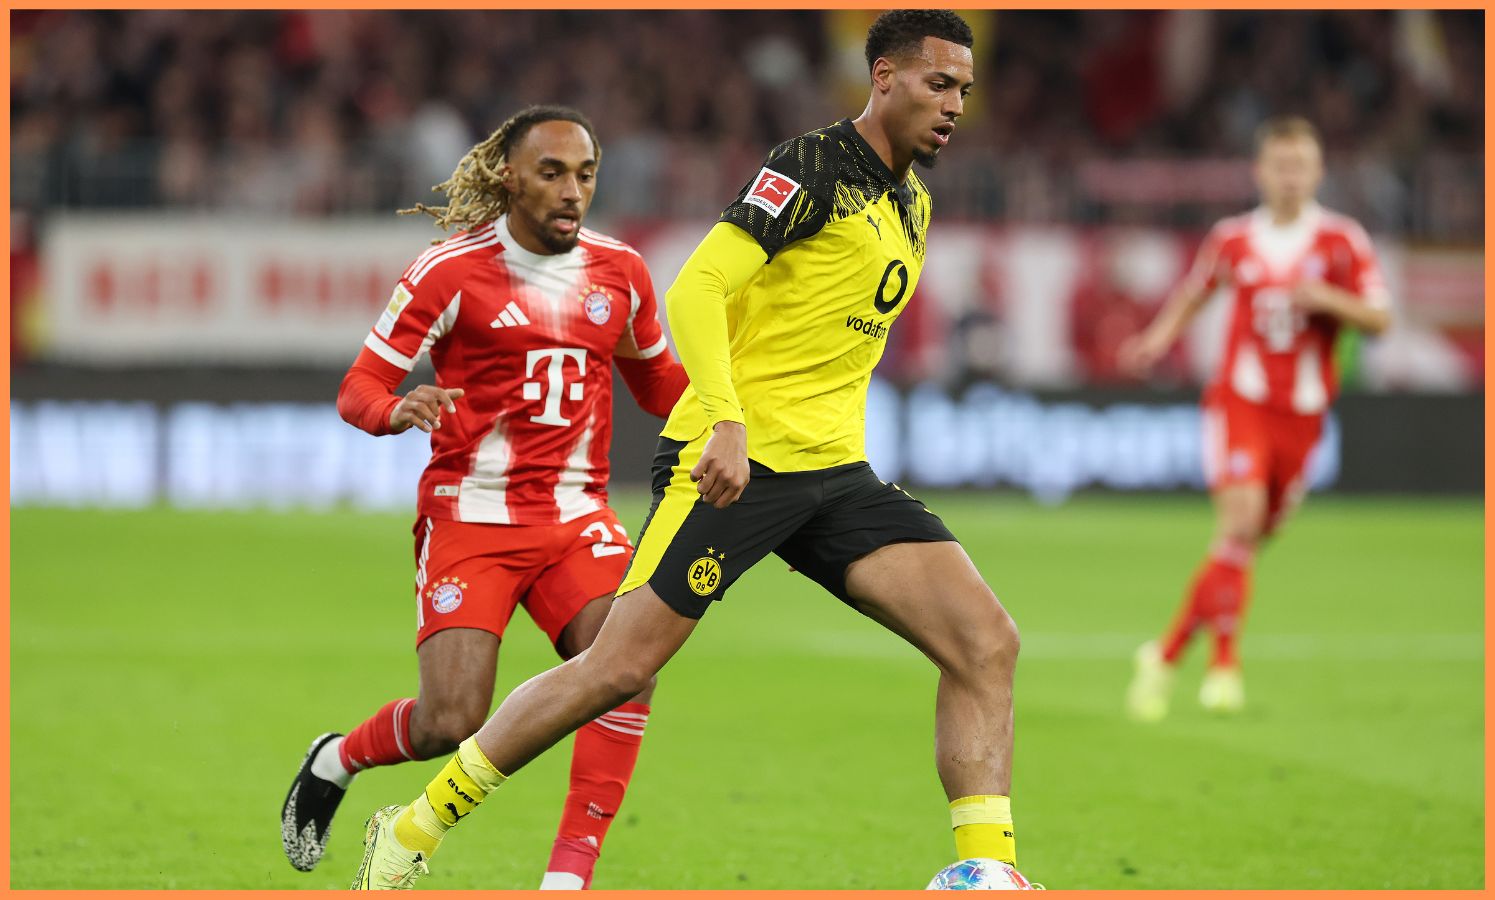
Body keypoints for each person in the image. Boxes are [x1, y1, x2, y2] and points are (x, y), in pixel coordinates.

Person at [349, 9, 1032, 892]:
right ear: (884, 78)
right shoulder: (811, 167)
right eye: (938, 84)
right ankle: (412, 825)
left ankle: (984, 874)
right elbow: (698, 286)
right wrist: (726, 422)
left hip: (834, 472)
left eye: (964, 92)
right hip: (733, 468)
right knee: (617, 668)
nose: (953, 105)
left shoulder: (912, 199)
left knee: (985, 643)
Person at [280, 105, 688, 889]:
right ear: (509, 177)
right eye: (552, 173)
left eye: (586, 174)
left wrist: (732, 413)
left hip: (576, 517)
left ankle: (567, 877)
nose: (573, 191)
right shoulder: (448, 270)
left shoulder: (621, 271)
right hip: (471, 517)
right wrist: (391, 410)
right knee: (450, 721)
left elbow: (659, 384)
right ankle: (337, 757)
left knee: (627, 666)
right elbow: (359, 386)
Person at [1120, 116, 1391, 721]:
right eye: (1280, 165)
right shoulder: (1234, 238)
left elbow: (1380, 319)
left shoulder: (1343, 241)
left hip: (1304, 416)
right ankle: (1223, 667)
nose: (1290, 177)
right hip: (1241, 401)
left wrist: (1331, 301)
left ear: (1318, 172)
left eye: (1301, 166)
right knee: (1239, 523)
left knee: (1242, 545)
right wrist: (1157, 339)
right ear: (1260, 171)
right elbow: (1196, 291)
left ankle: (1163, 656)